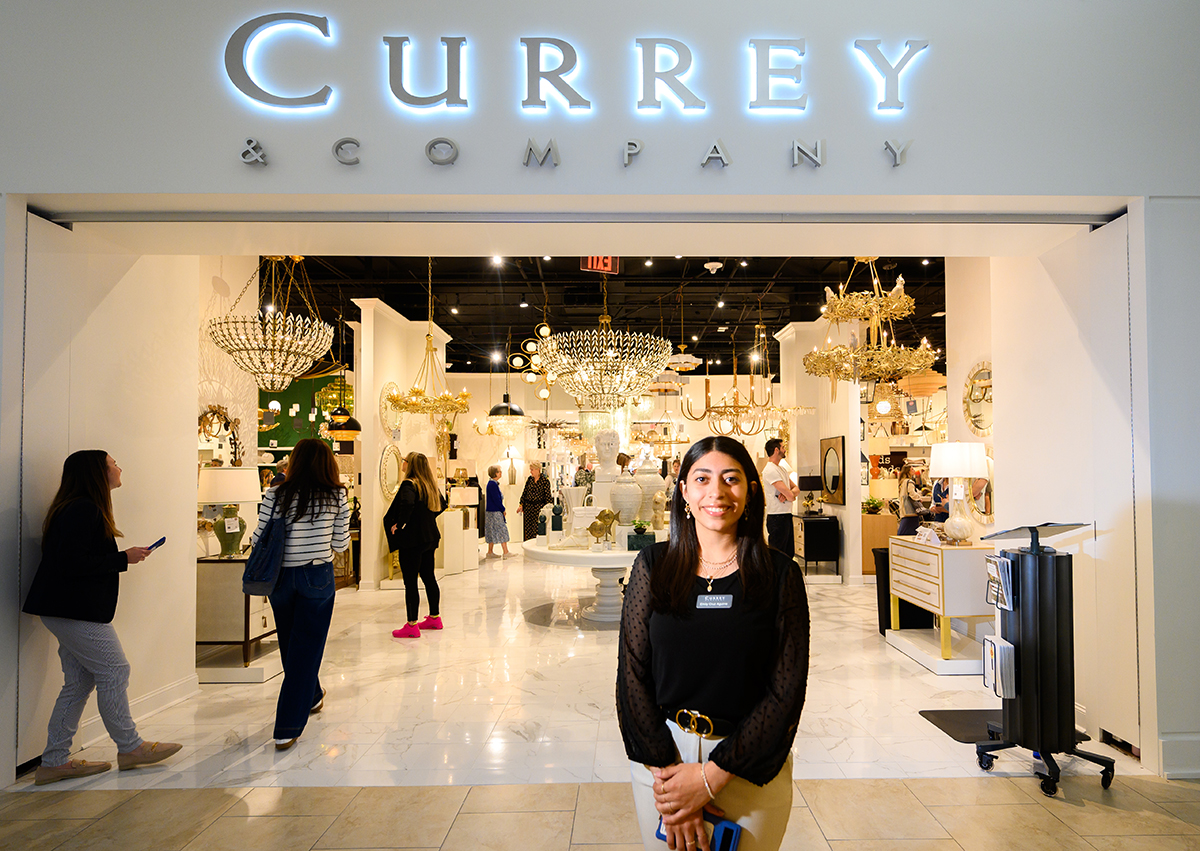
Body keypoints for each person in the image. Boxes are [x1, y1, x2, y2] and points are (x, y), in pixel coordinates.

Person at [617, 436, 810, 851]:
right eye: (702, 478)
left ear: (750, 490)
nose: (716, 492)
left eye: (731, 479)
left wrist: (710, 779)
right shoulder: (653, 565)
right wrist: (672, 778)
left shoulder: (780, 575)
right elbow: (632, 676)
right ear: (684, 491)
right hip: (663, 764)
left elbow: (786, 691)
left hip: (747, 765)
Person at [22, 450, 182, 784]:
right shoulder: (83, 510)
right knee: (114, 669)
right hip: (74, 610)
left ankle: (54, 761)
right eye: (113, 464)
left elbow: (74, 560)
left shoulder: (77, 509)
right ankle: (130, 746)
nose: (119, 467)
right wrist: (123, 557)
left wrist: (123, 558)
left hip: (64, 609)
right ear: (98, 473)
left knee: (79, 681)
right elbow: (73, 564)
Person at [250, 438, 350, 750]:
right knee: (306, 646)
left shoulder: (275, 493)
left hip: (280, 576)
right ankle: (288, 725)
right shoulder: (336, 495)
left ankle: (314, 694)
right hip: (315, 574)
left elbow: (257, 537)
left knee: (290, 640)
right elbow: (341, 544)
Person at [386, 451, 448, 637]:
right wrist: (426, 518)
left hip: (413, 540)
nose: (402, 464)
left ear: (409, 464)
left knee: (411, 582)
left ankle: (412, 625)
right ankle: (435, 618)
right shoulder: (429, 485)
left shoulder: (409, 484)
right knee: (429, 577)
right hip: (430, 537)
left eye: (404, 461)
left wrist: (401, 524)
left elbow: (407, 504)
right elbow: (442, 505)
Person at [761, 438, 799, 560]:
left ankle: (786, 579)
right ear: (776, 450)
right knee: (777, 555)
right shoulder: (770, 470)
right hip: (777, 517)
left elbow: (796, 489)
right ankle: (774, 578)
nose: (784, 450)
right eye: (783, 447)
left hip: (786, 515)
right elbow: (791, 496)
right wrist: (790, 494)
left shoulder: (782, 469)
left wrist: (790, 493)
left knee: (788, 553)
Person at [517, 460, 552, 541]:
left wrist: (548, 509)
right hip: (528, 508)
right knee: (528, 530)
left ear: (537, 470)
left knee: (537, 529)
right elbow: (524, 493)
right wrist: (521, 505)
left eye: (532, 469)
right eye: (530, 469)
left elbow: (548, 497)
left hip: (539, 509)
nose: (531, 471)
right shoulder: (529, 480)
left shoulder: (545, 481)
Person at [483, 464, 512, 559]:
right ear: (495, 473)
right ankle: (505, 552)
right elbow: (496, 499)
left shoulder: (492, 483)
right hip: (495, 511)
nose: (501, 473)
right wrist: (503, 509)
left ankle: (490, 552)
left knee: (492, 530)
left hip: (491, 511)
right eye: (499, 471)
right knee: (501, 529)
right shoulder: (492, 484)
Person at [896, 464, 926, 536]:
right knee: (910, 531)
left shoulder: (902, 482)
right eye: (912, 469)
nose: (914, 470)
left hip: (904, 510)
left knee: (904, 531)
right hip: (911, 511)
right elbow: (912, 493)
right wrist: (919, 498)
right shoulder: (909, 482)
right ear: (908, 471)